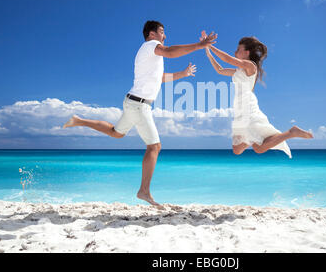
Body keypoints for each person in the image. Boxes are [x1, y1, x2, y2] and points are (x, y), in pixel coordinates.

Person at [63, 21, 217, 207]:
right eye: (162, 32)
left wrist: (182, 74)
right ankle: (144, 191)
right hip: (138, 105)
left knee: (116, 133)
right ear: (151, 34)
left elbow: (160, 78)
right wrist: (200, 45)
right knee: (155, 147)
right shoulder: (151, 45)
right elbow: (170, 51)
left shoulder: (149, 54)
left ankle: (79, 120)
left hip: (133, 102)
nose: (164, 36)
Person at [201, 31, 313, 157]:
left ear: (247, 53)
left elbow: (227, 59)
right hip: (239, 108)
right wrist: (208, 52)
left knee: (258, 149)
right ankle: (254, 137)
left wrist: (209, 45)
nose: (235, 52)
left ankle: (291, 132)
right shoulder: (239, 71)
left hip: (248, 107)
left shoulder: (250, 66)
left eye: (238, 49)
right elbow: (220, 70)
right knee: (237, 150)